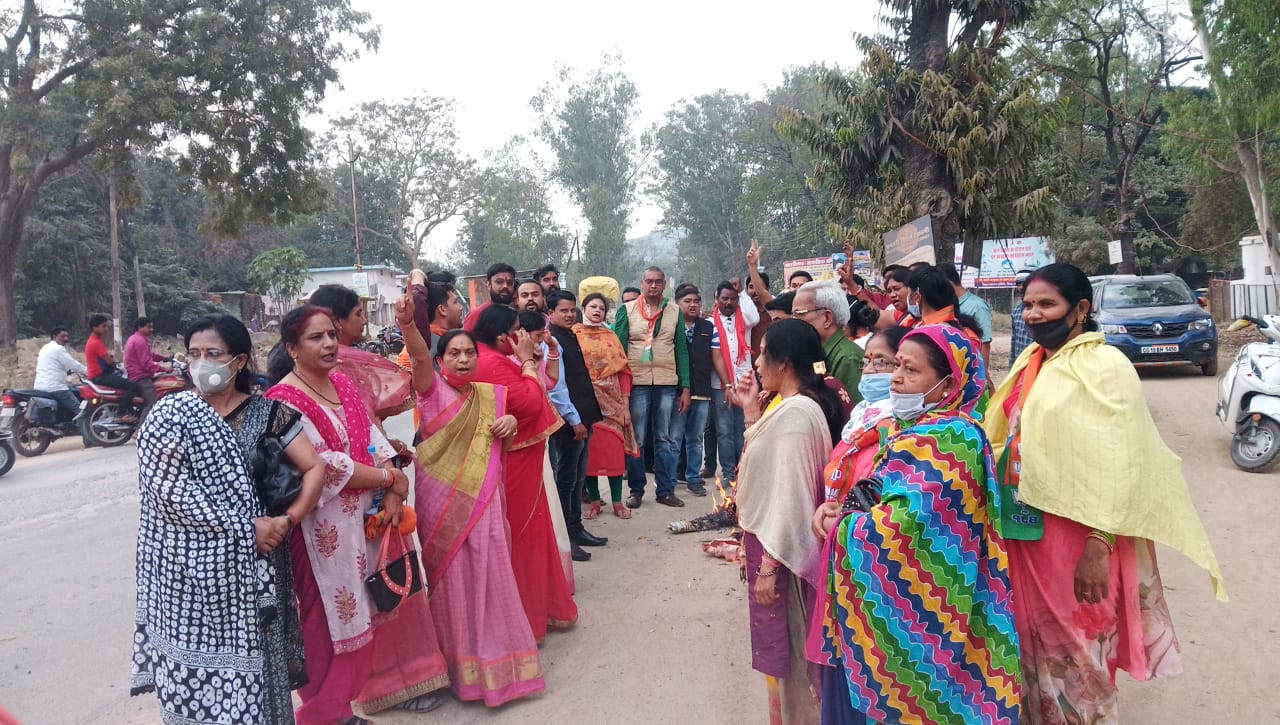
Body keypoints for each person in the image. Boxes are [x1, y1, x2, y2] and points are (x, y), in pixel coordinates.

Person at [984, 263, 1226, 724]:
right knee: (1030, 639)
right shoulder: (1030, 361)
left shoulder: (1106, 365)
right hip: (1025, 530)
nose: (1033, 314)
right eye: (1028, 305)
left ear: (1080, 309)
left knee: (1079, 651)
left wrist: (1100, 543)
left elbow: (1124, 459)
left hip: (1079, 538)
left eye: (1046, 304)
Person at [810, 325, 1021, 725]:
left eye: (910, 370)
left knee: (931, 699)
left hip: (936, 602)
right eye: (897, 366)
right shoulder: (908, 430)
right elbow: (881, 488)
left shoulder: (952, 438)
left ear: (948, 384)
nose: (895, 377)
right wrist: (839, 506)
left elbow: (898, 525)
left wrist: (848, 525)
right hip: (902, 599)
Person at [132, 314, 326, 724]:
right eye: (194, 354)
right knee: (197, 684)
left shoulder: (269, 414)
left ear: (238, 362)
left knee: (262, 675)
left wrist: (286, 522)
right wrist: (243, 528)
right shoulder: (171, 416)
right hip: (186, 577)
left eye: (212, 354)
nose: (201, 363)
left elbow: (315, 470)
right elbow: (169, 496)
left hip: (258, 565)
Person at [265, 306, 448, 725]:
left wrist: (393, 491)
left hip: (366, 523)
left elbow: (369, 437)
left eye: (332, 334)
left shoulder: (343, 384)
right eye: (316, 338)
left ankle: (339, 711)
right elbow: (326, 465)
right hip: (317, 532)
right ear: (292, 348)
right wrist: (389, 479)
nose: (330, 343)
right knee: (325, 625)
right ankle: (320, 715)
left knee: (366, 619)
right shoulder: (281, 401)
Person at [394, 297, 547, 707]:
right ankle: (452, 671)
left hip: (485, 502)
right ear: (441, 360)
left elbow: (504, 443)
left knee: (491, 573)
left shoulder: (490, 393)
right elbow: (420, 356)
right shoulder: (430, 390)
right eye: (454, 354)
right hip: (442, 504)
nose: (463, 360)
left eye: (469, 354)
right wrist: (410, 325)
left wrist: (511, 423)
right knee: (452, 581)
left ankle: (497, 667)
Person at [728, 319, 845, 724]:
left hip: (783, 556)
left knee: (793, 652)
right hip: (774, 547)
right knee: (784, 652)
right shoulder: (792, 407)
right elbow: (762, 465)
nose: (757, 362)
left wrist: (768, 568)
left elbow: (790, 497)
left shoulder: (797, 415)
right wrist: (750, 413)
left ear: (784, 362)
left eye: (762, 353)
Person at [470, 304, 579, 640]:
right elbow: (531, 402)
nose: (521, 335)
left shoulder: (493, 357)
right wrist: (529, 361)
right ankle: (527, 620)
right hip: (514, 463)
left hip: (522, 458)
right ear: (502, 334)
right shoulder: (491, 362)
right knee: (524, 536)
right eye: (516, 329)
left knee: (536, 531)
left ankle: (542, 609)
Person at [612, 266, 690, 508]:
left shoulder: (675, 311)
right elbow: (620, 349)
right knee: (637, 438)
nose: (653, 286)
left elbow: (681, 349)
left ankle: (665, 490)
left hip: (667, 382)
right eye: (649, 282)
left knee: (664, 438)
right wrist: (620, 388)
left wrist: (685, 386)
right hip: (637, 382)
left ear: (664, 284)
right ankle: (636, 490)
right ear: (642, 283)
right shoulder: (627, 309)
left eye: (658, 282)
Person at [818, 326, 909, 512]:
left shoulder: (899, 425)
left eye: (880, 362)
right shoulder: (861, 415)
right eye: (866, 361)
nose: (868, 369)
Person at [547, 291, 610, 552]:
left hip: (583, 415)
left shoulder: (571, 334)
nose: (570, 314)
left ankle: (577, 528)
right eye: (564, 310)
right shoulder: (551, 341)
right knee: (566, 478)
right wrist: (574, 420)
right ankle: (566, 537)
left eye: (573, 310)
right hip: (569, 421)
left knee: (577, 476)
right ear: (550, 313)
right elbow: (556, 388)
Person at [309, 284, 414, 423]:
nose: (364, 321)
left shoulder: (346, 360)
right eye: (358, 314)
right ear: (337, 322)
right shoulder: (336, 364)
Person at [576, 293, 639, 519]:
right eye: (592, 306)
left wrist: (625, 404)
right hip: (586, 402)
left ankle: (617, 503)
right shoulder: (574, 335)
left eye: (601, 308)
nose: (597, 311)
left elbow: (624, 372)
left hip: (612, 402)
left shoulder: (611, 336)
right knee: (591, 457)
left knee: (613, 455)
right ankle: (594, 501)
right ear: (583, 309)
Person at [708, 279, 760, 483]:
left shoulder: (745, 319)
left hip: (745, 382)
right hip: (719, 384)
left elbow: (755, 316)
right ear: (716, 299)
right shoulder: (710, 323)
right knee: (724, 431)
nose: (728, 303)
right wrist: (727, 383)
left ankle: (743, 470)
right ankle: (729, 472)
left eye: (733, 299)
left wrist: (743, 293)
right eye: (724, 299)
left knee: (744, 429)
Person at [672, 284, 721, 497]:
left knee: (695, 437)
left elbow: (717, 358)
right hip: (675, 391)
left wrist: (727, 385)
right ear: (677, 303)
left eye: (696, 301)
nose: (693, 305)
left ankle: (693, 478)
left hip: (702, 390)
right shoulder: (671, 326)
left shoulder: (709, 327)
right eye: (687, 301)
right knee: (673, 438)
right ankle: (669, 480)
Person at [793, 280, 863, 404]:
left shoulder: (847, 359)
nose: (793, 321)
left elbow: (854, 412)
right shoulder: (818, 353)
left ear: (827, 318)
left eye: (799, 314)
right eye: (792, 315)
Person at [85, 313, 142, 420]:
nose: (106, 329)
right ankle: (120, 414)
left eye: (106, 326)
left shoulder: (93, 341)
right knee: (133, 386)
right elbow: (109, 361)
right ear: (94, 327)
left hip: (97, 375)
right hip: (100, 376)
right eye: (103, 326)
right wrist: (116, 363)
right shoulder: (96, 342)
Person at [941, 263, 994, 364]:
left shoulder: (977, 306)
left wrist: (981, 374)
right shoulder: (946, 304)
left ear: (949, 284)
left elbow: (985, 344)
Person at [124, 317, 172, 422]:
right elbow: (146, 364)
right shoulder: (140, 341)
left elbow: (150, 355)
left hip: (135, 374)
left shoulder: (135, 338)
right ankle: (140, 430)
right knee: (152, 403)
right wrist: (164, 369)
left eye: (152, 327)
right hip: (141, 377)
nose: (151, 329)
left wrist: (165, 358)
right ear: (140, 327)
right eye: (148, 327)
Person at [33, 326, 87, 417]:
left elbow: (54, 364)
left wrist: (67, 371)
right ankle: (85, 429)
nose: (66, 339)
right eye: (62, 336)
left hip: (40, 386)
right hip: (55, 388)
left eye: (67, 336)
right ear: (54, 336)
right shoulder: (58, 349)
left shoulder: (45, 348)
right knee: (80, 411)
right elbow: (72, 363)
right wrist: (87, 371)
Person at [463, 262, 517, 330]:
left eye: (509, 283)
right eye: (499, 282)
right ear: (489, 284)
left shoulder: (517, 315)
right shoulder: (477, 315)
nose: (505, 286)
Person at [1009, 269, 1033, 362]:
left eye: (1024, 283)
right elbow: (1014, 342)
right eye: (1018, 283)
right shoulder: (1016, 312)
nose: (1021, 287)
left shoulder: (1044, 314)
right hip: (1020, 364)